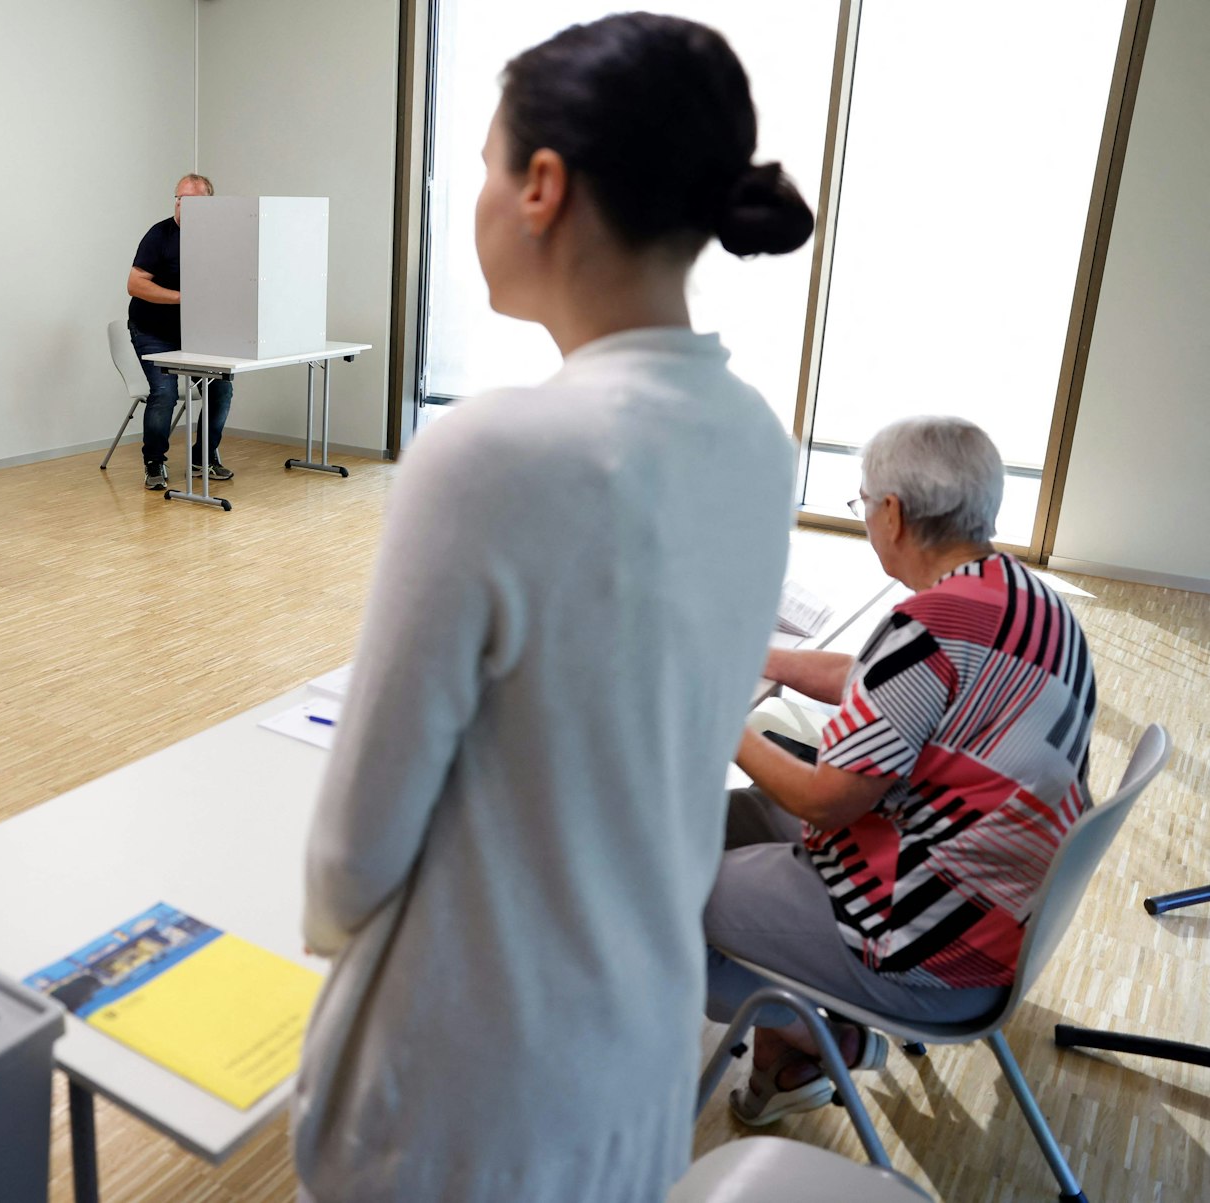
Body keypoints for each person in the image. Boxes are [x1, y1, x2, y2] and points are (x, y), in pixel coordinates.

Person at [292, 15, 815, 1202]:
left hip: (468, 1085)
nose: (474, 195)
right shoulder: (755, 440)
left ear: (540, 184)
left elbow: (349, 855)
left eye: (483, 164)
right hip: (632, 1056)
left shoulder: (492, 454)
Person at [708, 415, 1096, 1123]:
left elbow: (827, 803)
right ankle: (785, 1065)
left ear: (891, 513)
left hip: (926, 940)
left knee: (651, 893)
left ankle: (826, 1038)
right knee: (712, 825)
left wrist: (713, 713)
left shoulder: (930, 626)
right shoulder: (1023, 597)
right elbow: (877, 677)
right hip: (982, 906)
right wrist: (759, 656)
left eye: (862, 502)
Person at [127, 173, 233, 490]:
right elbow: (135, 285)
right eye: (178, 198)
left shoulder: (220, 237)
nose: (182, 205)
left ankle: (203, 458)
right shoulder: (159, 235)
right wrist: (183, 298)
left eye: (191, 200)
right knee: (164, 393)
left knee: (222, 387)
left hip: (200, 331)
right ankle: (155, 462)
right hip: (153, 329)